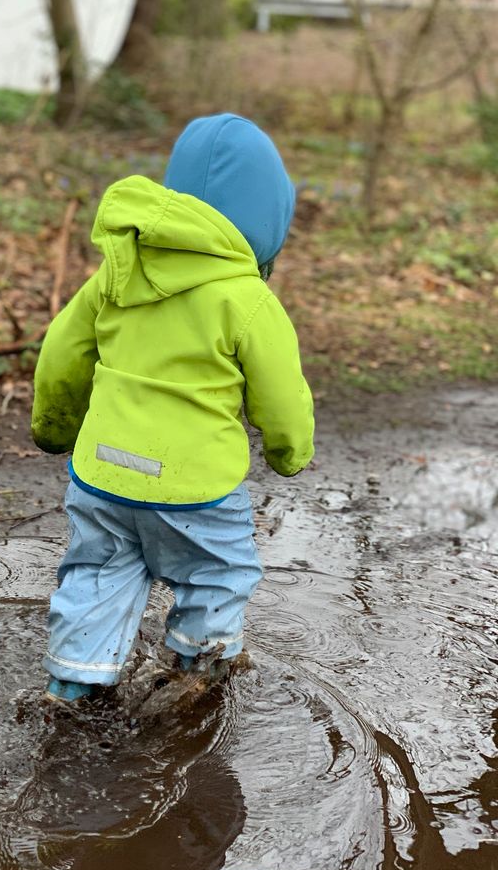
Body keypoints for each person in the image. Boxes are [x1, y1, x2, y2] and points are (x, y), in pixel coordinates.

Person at [31, 113, 314, 702]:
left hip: (104, 475)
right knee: (219, 574)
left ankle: (72, 685)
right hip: (196, 488)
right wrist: (289, 453)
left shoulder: (118, 270)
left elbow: (63, 349)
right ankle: (193, 678)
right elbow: (282, 395)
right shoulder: (247, 298)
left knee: (97, 574)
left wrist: (54, 426)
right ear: (266, 218)